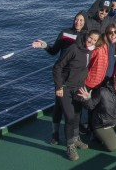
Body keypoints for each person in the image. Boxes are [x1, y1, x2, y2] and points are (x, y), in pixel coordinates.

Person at [33, 12, 87, 145]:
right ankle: (55, 134)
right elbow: (54, 51)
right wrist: (44, 46)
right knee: (58, 106)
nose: (78, 22)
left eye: (81, 20)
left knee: (77, 108)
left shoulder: (86, 36)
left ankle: (75, 136)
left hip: (78, 78)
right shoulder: (65, 34)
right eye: (76, 19)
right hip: (63, 77)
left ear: (85, 22)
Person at [52, 30, 100, 161]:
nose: (91, 41)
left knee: (78, 114)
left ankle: (76, 138)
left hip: (79, 87)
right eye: (90, 38)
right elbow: (57, 67)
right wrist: (59, 87)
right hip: (66, 88)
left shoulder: (90, 51)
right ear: (86, 36)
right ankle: (70, 146)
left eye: (95, 40)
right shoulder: (73, 49)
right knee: (69, 116)